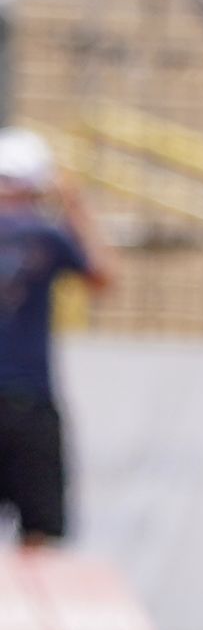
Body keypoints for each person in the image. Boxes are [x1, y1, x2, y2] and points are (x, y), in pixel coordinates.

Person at [0, 128, 115, 544]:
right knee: (40, 535)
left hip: (29, 396)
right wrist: (76, 206)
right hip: (30, 402)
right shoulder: (46, 235)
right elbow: (104, 277)